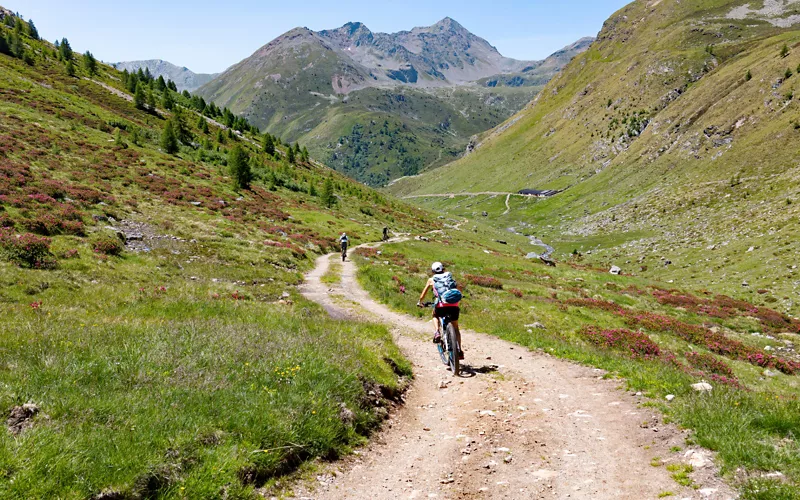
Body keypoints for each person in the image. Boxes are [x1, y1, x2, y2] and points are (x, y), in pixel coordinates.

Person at [417, 262, 463, 359]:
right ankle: (459, 350)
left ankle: (437, 332)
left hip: (441, 305)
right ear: (443, 269)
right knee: (456, 328)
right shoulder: (449, 276)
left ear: (433, 271)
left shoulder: (431, 279)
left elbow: (423, 295)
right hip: (454, 305)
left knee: (435, 315)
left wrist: (420, 302)